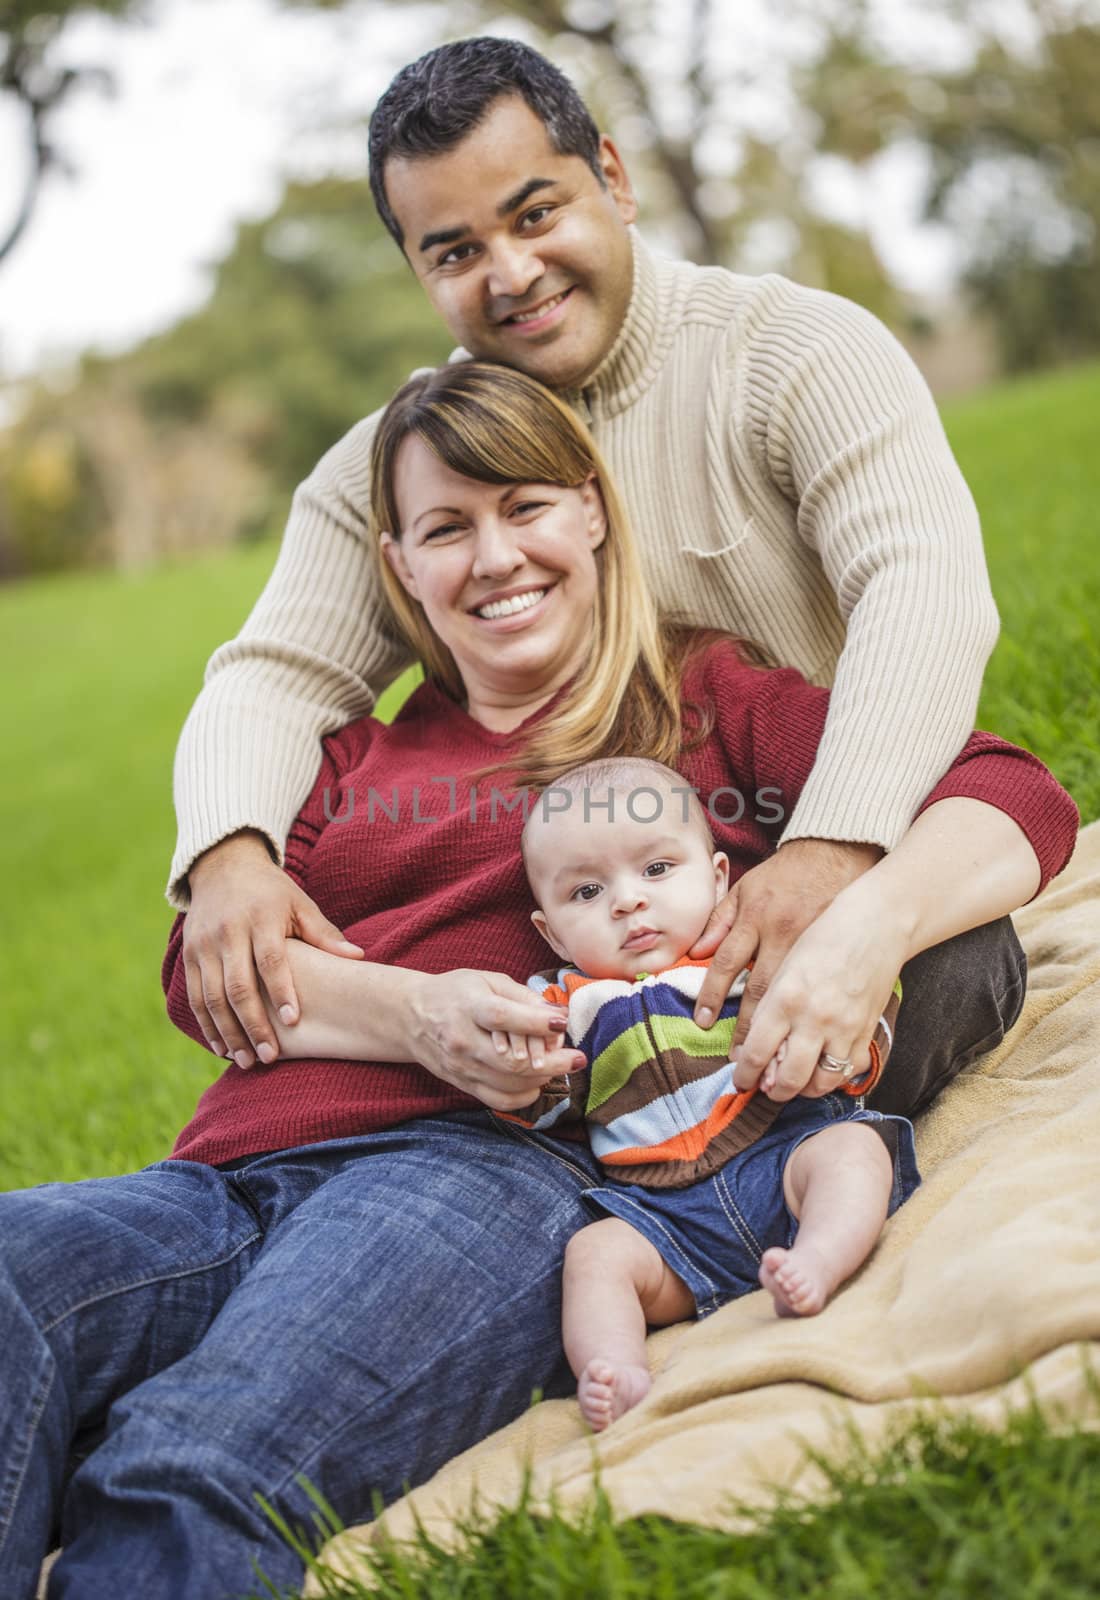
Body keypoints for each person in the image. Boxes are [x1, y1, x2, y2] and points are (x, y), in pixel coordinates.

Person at [0, 364, 1075, 1599]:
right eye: (446, 528)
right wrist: (419, 1011)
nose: (495, 556)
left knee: (188, 1457)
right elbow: (210, 984)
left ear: (591, 514)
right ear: (400, 567)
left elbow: (1012, 796)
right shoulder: (347, 756)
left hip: (474, 1176)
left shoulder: (695, 702)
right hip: (215, 1181)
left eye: (524, 507)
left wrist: (858, 919)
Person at [171, 37, 1015, 1118]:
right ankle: (613, 1159)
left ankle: (709, 1162)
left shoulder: (793, 353)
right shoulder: (396, 463)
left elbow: (921, 590)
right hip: (591, 914)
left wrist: (830, 848)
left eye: (534, 215)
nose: (511, 274)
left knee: (946, 962)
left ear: (611, 180)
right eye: (455, 250)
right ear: (420, 272)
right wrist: (229, 852)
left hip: (800, 814)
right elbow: (276, 677)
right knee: (536, 1038)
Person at [512, 755, 917, 1431]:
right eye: (585, 893)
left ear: (718, 876)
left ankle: (817, 1259)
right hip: (665, 1218)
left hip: (782, 1153)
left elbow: (856, 1007)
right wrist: (521, 1063)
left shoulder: (754, 958)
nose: (627, 901)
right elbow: (538, 1102)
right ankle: (614, 1369)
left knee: (852, 1150)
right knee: (595, 1255)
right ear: (551, 932)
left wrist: (844, 1043)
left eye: (657, 870)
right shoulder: (566, 1008)